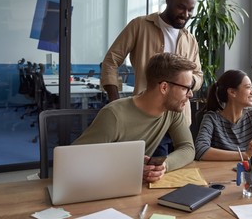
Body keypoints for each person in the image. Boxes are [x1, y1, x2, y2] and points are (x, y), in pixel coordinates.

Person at [73, 53, 197, 183]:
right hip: (104, 186)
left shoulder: (172, 111)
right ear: (164, 87)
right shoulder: (114, 115)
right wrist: (128, 168)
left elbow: (187, 148)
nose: (190, 94)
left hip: (131, 186)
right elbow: (75, 159)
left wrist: (164, 166)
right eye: (186, 88)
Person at [100, 0, 203, 127]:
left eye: (190, 10)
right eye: (181, 7)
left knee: (184, 150)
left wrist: (187, 81)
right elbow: (110, 61)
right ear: (168, 1)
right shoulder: (139, 25)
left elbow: (198, 75)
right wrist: (115, 103)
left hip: (179, 120)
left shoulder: (190, 40)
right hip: (145, 118)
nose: (185, 14)